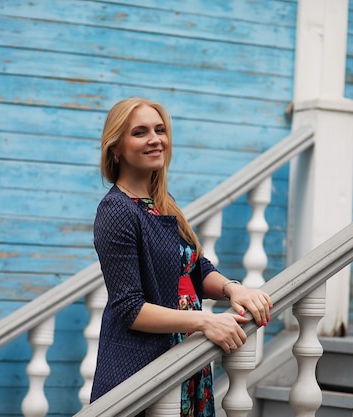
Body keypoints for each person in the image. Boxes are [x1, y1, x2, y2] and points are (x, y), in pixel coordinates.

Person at [90, 97, 272, 416]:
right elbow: (129, 308)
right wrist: (204, 321)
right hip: (145, 365)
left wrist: (234, 289)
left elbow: (194, 269)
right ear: (115, 148)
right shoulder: (117, 211)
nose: (155, 139)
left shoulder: (162, 201)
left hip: (185, 356)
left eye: (160, 130)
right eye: (140, 132)